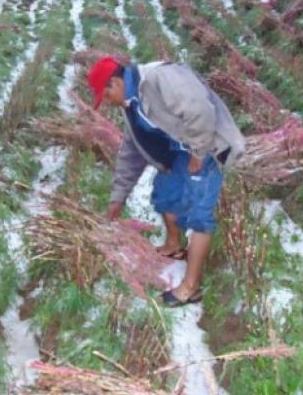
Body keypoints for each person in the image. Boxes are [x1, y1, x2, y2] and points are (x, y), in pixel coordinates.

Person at [86, 57, 245, 307]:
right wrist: (118, 197)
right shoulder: (131, 105)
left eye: (105, 97)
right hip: (177, 152)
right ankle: (174, 245)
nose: (107, 103)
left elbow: (200, 110)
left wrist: (197, 152)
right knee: (165, 197)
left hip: (207, 147)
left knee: (199, 215)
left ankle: (191, 288)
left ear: (115, 83)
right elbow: (131, 152)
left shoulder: (161, 77)